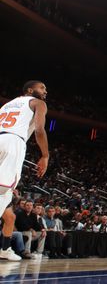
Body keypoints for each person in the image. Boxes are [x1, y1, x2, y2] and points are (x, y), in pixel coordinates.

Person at [0, 81, 49, 262]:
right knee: (2, 193)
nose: (45, 91)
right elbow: (39, 130)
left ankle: (4, 249)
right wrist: (45, 156)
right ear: (30, 90)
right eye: (42, 87)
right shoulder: (38, 103)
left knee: (5, 200)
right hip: (13, 143)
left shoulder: (7, 104)